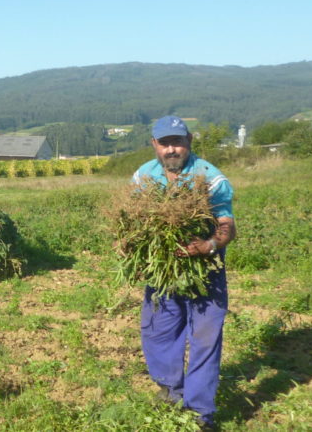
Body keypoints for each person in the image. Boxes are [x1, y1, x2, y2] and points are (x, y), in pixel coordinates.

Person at [131, 116, 236, 428]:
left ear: (189, 140)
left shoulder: (210, 177)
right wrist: (130, 247)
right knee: (158, 331)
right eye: (164, 143)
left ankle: (200, 412)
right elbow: (134, 219)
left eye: (177, 142)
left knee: (205, 338)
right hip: (163, 271)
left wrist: (208, 246)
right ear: (154, 145)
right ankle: (171, 390)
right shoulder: (143, 176)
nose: (171, 149)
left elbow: (227, 227)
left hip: (205, 271)